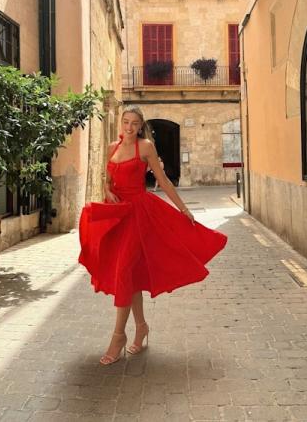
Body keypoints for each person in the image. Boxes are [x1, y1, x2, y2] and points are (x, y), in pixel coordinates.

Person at [78, 107, 228, 365]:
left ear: (140, 126)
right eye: (125, 122)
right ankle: (142, 327)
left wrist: (184, 209)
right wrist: (107, 189)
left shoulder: (145, 147)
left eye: (134, 124)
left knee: (124, 270)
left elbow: (164, 181)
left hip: (138, 215)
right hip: (117, 214)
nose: (129, 127)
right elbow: (107, 178)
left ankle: (118, 336)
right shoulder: (112, 147)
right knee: (129, 274)